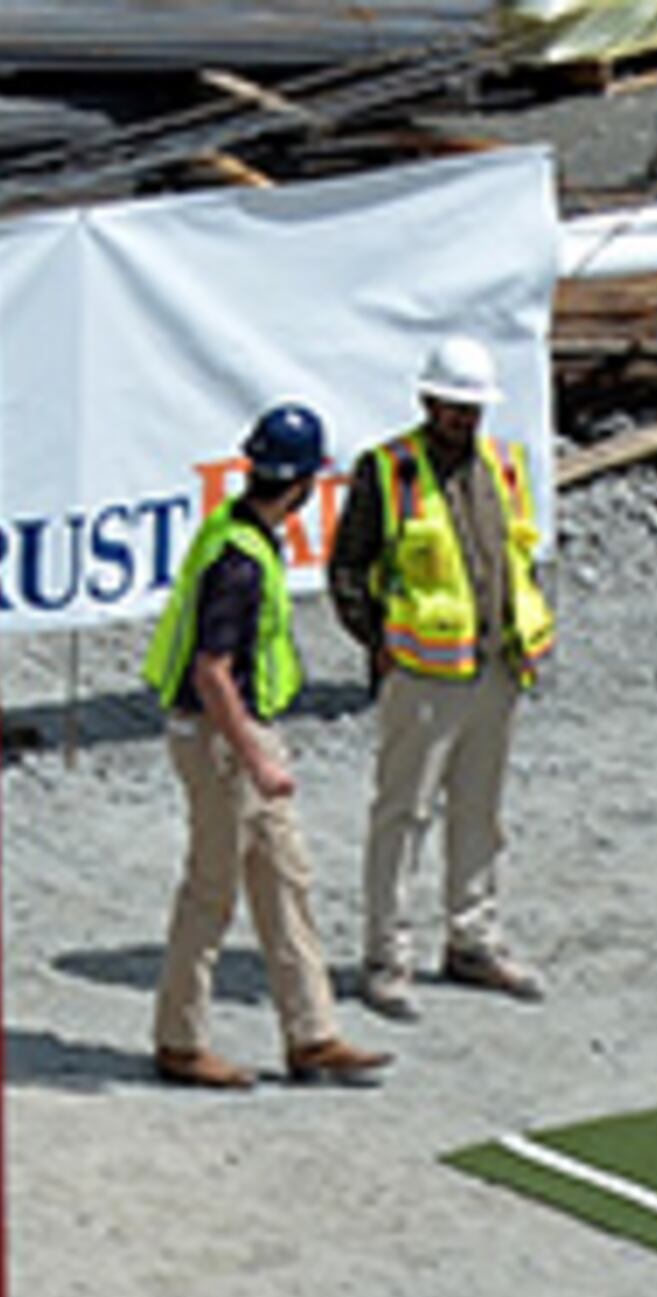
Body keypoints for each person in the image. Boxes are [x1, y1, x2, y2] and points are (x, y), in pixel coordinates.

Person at [146, 403, 387, 1092]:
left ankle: (312, 1034)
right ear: (304, 484)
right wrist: (258, 758)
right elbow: (212, 672)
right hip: (224, 739)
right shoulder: (240, 562)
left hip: (240, 734)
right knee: (211, 891)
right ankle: (179, 1041)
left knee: (286, 881)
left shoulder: (237, 533)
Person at [330, 333, 554, 1017]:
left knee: (479, 812)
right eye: (454, 406)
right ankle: (386, 956)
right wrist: (379, 643)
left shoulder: (504, 465)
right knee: (403, 814)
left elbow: (520, 558)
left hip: (494, 666)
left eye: (473, 407)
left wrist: (523, 634)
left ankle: (472, 938)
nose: (464, 417)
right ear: (427, 401)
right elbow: (348, 568)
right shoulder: (388, 472)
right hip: (423, 673)